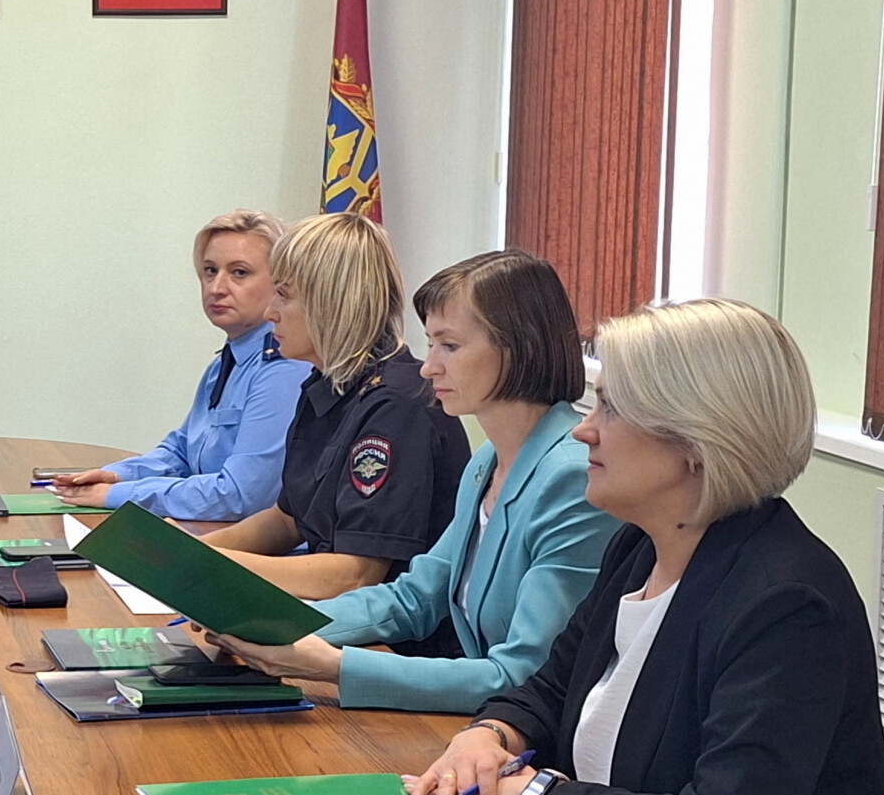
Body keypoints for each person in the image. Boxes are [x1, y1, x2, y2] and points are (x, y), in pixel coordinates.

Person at [406, 299, 884, 795]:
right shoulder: (640, 546)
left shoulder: (786, 603)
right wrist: (487, 736)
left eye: (612, 409)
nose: (583, 430)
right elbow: (550, 688)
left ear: (696, 442)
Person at [203, 251, 620, 711]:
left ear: (519, 347)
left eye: (449, 346)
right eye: (431, 344)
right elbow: (415, 598)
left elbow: (522, 676)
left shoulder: (572, 478)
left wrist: (335, 667)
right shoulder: (490, 460)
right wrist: (271, 624)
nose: (428, 366)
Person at [198, 212, 471, 624]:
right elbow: (288, 520)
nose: (271, 312)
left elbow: (354, 574)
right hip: (330, 616)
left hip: (392, 643)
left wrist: (211, 567)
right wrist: (191, 552)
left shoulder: (397, 405)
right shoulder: (326, 385)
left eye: (284, 296)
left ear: (330, 302)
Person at [49, 210, 312, 520]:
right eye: (210, 271)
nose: (216, 287)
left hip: (252, 544)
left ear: (280, 283)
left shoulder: (284, 366)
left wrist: (118, 495)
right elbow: (182, 450)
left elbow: (240, 496)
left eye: (239, 273)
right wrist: (119, 475)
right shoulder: (227, 362)